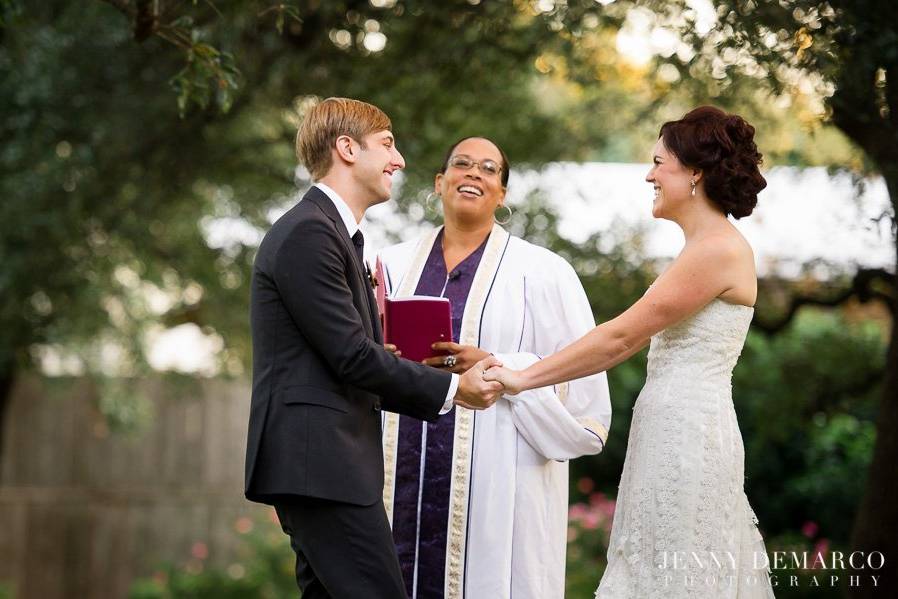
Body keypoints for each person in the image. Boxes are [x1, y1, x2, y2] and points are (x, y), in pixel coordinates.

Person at [485, 106, 776, 598]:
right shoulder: (702, 248)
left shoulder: (717, 250)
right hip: (671, 424)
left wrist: (522, 378)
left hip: (686, 431)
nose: (649, 175)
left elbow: (620, 338)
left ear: (696, 173)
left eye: (659, 162)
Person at [244, 98, 503, 599]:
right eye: (386, 144)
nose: (399, 159)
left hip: (324, 464)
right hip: (319, 464)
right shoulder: (309, 234)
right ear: (346, 149)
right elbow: (352, 356)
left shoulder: (334, 235)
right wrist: (454, 388)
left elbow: (349, 351)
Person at [377, 136, 612, 599]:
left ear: (501, 193)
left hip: (498, 487)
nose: (474, 173)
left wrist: (497, 364)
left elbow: (585, 402)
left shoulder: (545, 273)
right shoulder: (389, 265)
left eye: (489, 168)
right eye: (461, 164)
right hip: (395, 478)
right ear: (440, 182)